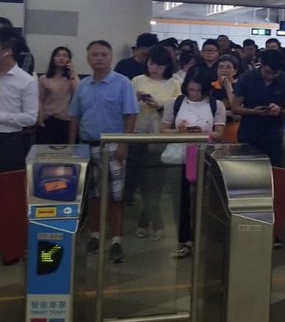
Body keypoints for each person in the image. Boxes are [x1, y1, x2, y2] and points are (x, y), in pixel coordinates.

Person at [69, 40, 139, 263]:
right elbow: (74, 117)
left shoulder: (123, 83)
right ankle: (94, 235)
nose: (99, 58)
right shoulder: (83, 85)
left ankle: (116, 241)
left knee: (116, 197)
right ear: (88, 58)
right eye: (94, 55)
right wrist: (73, 147)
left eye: (103, 55)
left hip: (113, 146)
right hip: (87, 146)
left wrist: (124, 144)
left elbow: (131, 115)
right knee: (93, 195)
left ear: (110, 58)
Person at [162, 71, 227, 259]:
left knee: (204, 199)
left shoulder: (216, 105)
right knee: (182, 200)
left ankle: (204, 237)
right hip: (182, 156)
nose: (194, 93)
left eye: (198, 90)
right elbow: (164, 130)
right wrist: (178, 131)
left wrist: (202, 132)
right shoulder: (175, 103)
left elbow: (220, 133)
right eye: (191, 89)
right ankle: (185, 239)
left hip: (205, 155)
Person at [128, 46, 180, 240]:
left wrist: (159, 106)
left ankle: (153, 223)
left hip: (160, 136)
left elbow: (176, 108)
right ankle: (147, 222)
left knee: (154, 183)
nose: (154, 67)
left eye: (159, 64)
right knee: (142, 182)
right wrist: (138, 98)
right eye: (151, 63)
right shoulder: (137, 80)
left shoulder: (174, 84)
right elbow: (127, 105)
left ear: (167, 65)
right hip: (138, 134)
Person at [231, 48, 285, 169]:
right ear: (261, 63)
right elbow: (235, 107)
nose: (270, 76)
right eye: (267, 72)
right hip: (249, 135)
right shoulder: (247, 78)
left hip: (274, 137)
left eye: (274, 73)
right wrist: (253, 112)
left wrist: (280, 110)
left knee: (274, 172)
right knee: (247, 171)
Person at [0, 28, 39, 172]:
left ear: (6, 51)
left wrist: (1, 117)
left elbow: (30, 118)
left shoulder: (26, 81)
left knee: (8, 187)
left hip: (9, 141)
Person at [37, 46, 78, 145]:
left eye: (65, 56)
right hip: (48, 119)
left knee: (63, 153)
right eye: (58, 55)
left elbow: (77, 94)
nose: (61, 58)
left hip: (65, 120)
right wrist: (40, 120)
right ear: (53, 58)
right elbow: (39, 100)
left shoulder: (72, 78)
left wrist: (72, 73)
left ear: (68, 59)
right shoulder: (44, 78)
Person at [210, 55, 241, 142]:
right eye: (221, 67)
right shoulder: (209, 87)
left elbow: (238, 113)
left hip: (233, 130)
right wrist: (227, 113)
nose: (224, 70)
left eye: (228, 67)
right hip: (212, 129)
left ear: (235, 71)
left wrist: (228, 86)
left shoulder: (240, 87)